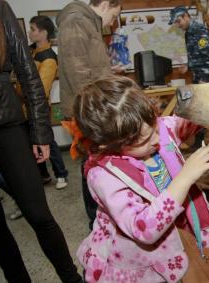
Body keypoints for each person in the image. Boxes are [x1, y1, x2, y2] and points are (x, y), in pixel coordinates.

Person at [72, 76, 209, 282]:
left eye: (155, 128)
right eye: (144, 140)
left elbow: (187, 122)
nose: (158, 140)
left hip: (160, 253)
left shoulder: (153, 130)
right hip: (129, 267)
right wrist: (185, 177)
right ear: (109, 144)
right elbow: (144, 228)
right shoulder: (104, 177)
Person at [0, 1, 82, 282]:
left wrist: (39, 131)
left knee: (38, 214)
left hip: (4, 119)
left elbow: (26, 69)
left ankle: (71, 278)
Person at [57, 0, 122, 229]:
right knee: (92, 165)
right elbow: (79, 76)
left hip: (92, 106)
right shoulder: (76, 21)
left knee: (96, 162)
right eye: (115, 14)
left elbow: (91, 69)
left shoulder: (86, 23)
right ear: (106, 3)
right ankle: (95, 219)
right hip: (87, 109)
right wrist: (98, 111)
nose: (113, 21)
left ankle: (102, 215)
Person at [28, 15, 69, 189]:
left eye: (33, 29)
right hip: (26, 106)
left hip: (38, 106)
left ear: (43, 33)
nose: (30, 33)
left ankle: (61, 174)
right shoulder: (31, 51)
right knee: (33, 142)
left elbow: (40, 88)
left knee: (47, 141)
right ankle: (43, 175)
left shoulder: (49, 57)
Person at [169, 5, 209, 84]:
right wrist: (187, 66)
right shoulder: (188, 33)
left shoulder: (200, 29)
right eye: (176, 23)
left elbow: (207, 55)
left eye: (178, 21)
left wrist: (205, 79)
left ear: (185, 16)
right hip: (197, 77)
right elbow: (196, 56)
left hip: (207, 79)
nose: (178, 25)